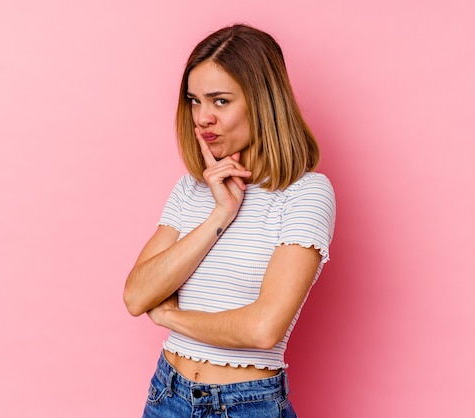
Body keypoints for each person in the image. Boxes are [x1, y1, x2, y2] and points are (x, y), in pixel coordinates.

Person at [124, 23, 335, 418]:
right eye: (194, 100)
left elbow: (263, 328)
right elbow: (137, 295)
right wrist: (220, 214)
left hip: (246, 405)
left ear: (262, 102)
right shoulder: (193, 189)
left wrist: (169, 315)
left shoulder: (304, 193)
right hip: (167, 395)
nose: (203, 118)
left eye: (220, 101)